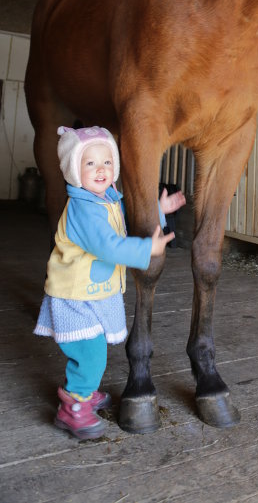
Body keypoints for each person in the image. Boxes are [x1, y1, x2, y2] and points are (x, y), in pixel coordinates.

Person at [34, 125, 185, 440]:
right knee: (90, 353)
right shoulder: (83, 208)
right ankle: (73, 405)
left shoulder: (107, 198)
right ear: (74, 170)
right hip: (75, 297)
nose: (100, 169)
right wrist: (148, 249)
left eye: (106, 162)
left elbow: (124, 219)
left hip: (90, 293)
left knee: (93, 348)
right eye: (90, 163)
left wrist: (159, 209)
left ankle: (83, 392)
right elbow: (108, 246)